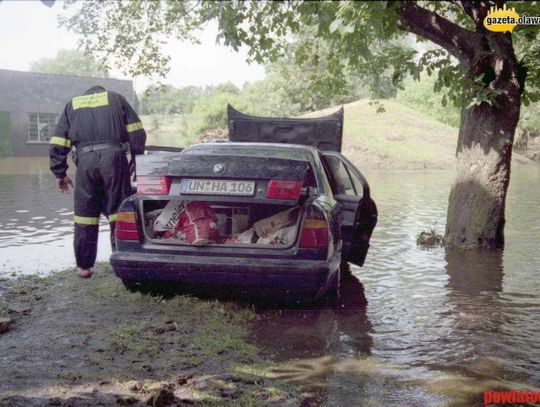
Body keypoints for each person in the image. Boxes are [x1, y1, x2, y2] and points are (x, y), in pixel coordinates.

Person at [49, 86, 146, 279]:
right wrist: (136, 160)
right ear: (102, 92)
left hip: (85, 161)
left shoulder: (73, 104)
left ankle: (84, 267)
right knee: (118, 210)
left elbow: (58, 141)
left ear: (87, 95)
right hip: (114, 158)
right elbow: (137, 132)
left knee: (85, 214)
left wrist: (60, 173)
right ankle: (121, 256)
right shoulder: (116, 98)